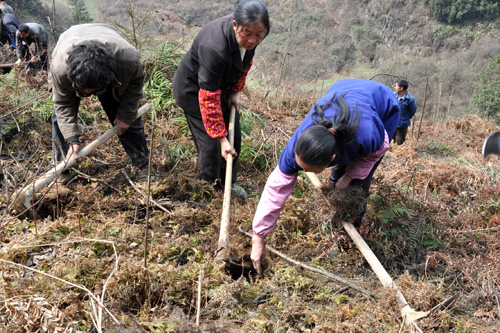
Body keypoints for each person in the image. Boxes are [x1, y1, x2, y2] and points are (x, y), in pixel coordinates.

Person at [250, 79, 400, 274]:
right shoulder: (297, 146)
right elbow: (275, 189)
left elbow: (379, 149)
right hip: (343, 89)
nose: (300, 170)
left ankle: (349, 239)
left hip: (382, 104)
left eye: (308, 169)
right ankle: (338, 224)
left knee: (355, 186)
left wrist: (349, 178)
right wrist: (258, 237)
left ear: (331, 159)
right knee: (336, 184)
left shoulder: (367, 137)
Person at [173, 0, 270, 200]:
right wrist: (220, 137)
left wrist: (235, 90)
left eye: (259, 34)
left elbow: (245, 63)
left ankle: (229, 182)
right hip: (194, 90)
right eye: (247, 34)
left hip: (220, 87)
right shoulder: (214, 47)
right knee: (211, 144)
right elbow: (208, 96)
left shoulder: (251, 35)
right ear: (235, 25)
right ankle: (210, 189)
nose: (252, 40)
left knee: (234, 139)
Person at [49, 23, 149, 179]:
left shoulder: (127, 60)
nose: (89, 94)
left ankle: (142, 164)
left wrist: (125, 116)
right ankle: (63, 168)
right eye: (85, 90)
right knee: (59, 121)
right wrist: (72, 139)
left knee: (128, 119)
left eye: (94, 90)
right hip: (70, 42)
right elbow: (63, 104)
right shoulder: (60, 69)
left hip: (109, 55)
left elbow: (134, 87)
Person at [392, 79, 417, 145]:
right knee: (390, 141)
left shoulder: (410, 99)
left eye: (396, 86)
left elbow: (413, 110)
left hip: (402, 124)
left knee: (400, 142)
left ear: (401, 88)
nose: (395, 87)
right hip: (392, 122)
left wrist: (405, 118)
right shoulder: (392, 95)